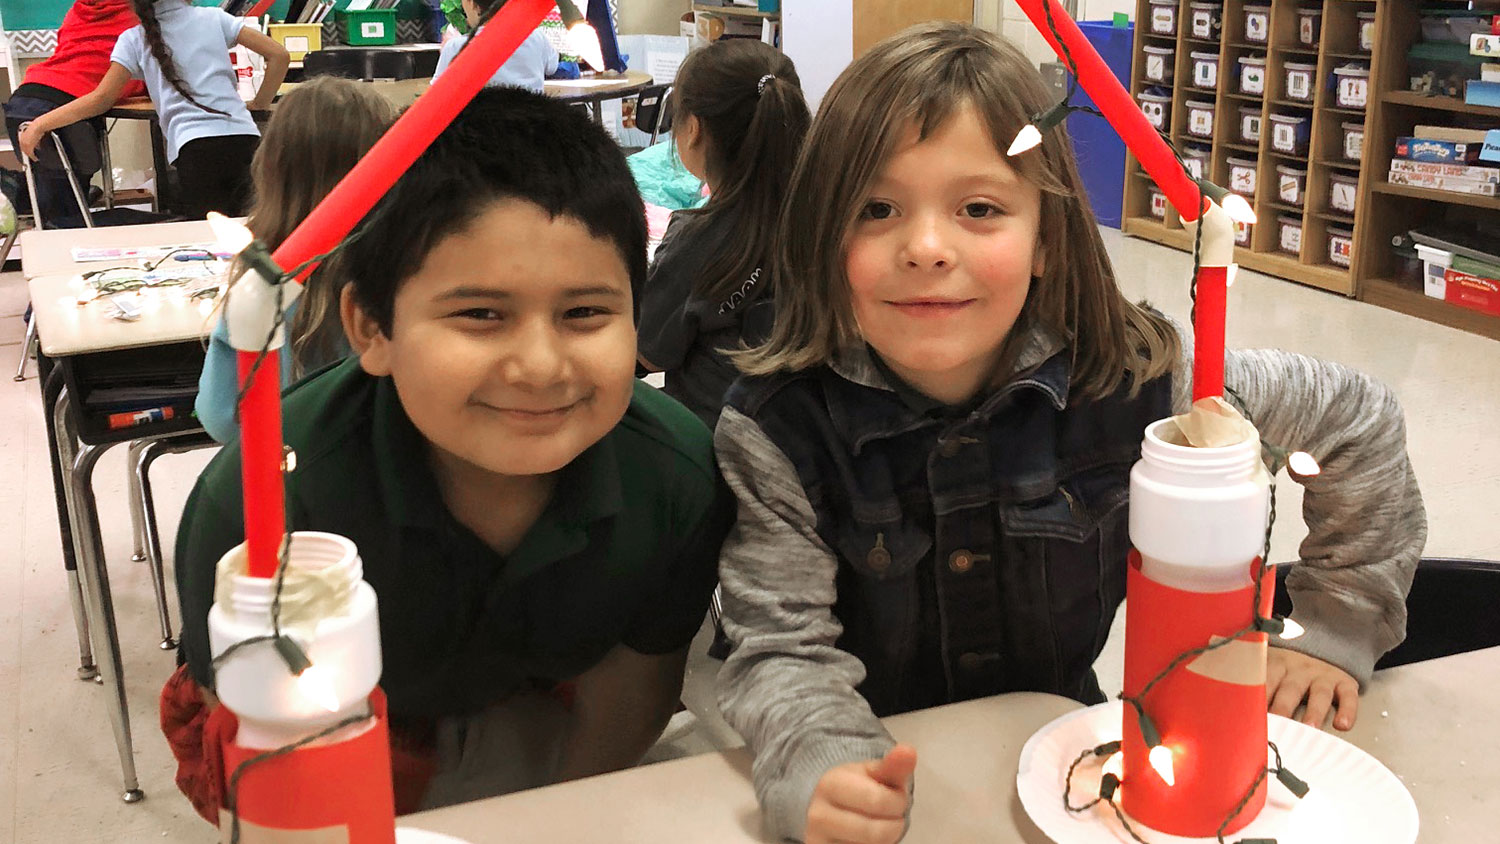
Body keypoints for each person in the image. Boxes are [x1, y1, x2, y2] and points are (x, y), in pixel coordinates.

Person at [713, 22, 1423, 844]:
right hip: (885, 795)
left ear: (1047, 237)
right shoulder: (776, 428)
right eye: (876, 209)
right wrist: (818, 761)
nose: (927, 247)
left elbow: (1356, 419)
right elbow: (781, 647)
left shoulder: (1153, 386)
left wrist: (1338, 627)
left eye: (979, 209)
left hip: (1065, 781)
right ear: (824, 239)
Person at [160, 86, 735, 822]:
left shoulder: (675, 476)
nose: (540, 365)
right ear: (371, 328)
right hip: (335, 743)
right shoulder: (261, 502)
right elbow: (262, 757)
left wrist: (552, 825)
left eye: (585, 313)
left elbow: (631, 697)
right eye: (481, 315)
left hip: (544, 716)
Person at [194, 76, 394, 443]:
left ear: (269, 167)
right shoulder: (403, 275)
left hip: (284, 485)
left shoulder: (261, 286)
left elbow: (221, 418)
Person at [635, 39, 809, 430]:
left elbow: (647, 355)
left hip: (717, 439)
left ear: (692, 129)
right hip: (810, 439)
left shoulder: (698, 239)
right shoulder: (827, 221)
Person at [17, 0, 290, 222]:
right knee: (254, 232)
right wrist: (260, 103)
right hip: (247, 141)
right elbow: (279, 55)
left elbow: (100, 99)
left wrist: (41, 123)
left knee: (210, 241)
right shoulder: (214, 18)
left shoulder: (133, 38)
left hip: (194, 151)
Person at [2, 0, 146, 229]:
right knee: (65, 220)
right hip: (63, 111)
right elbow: (120, 83)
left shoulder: (78, 10)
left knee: (58, 198)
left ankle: (13, 188)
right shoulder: (138, 19)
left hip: (24, 99)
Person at [432, 0, 558, 93]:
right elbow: (552, 67)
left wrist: (448, 51)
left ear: (472, 4)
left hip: (480, 126)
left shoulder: (456, 47)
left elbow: (436, 92)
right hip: (532, 124)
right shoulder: (537, 37)